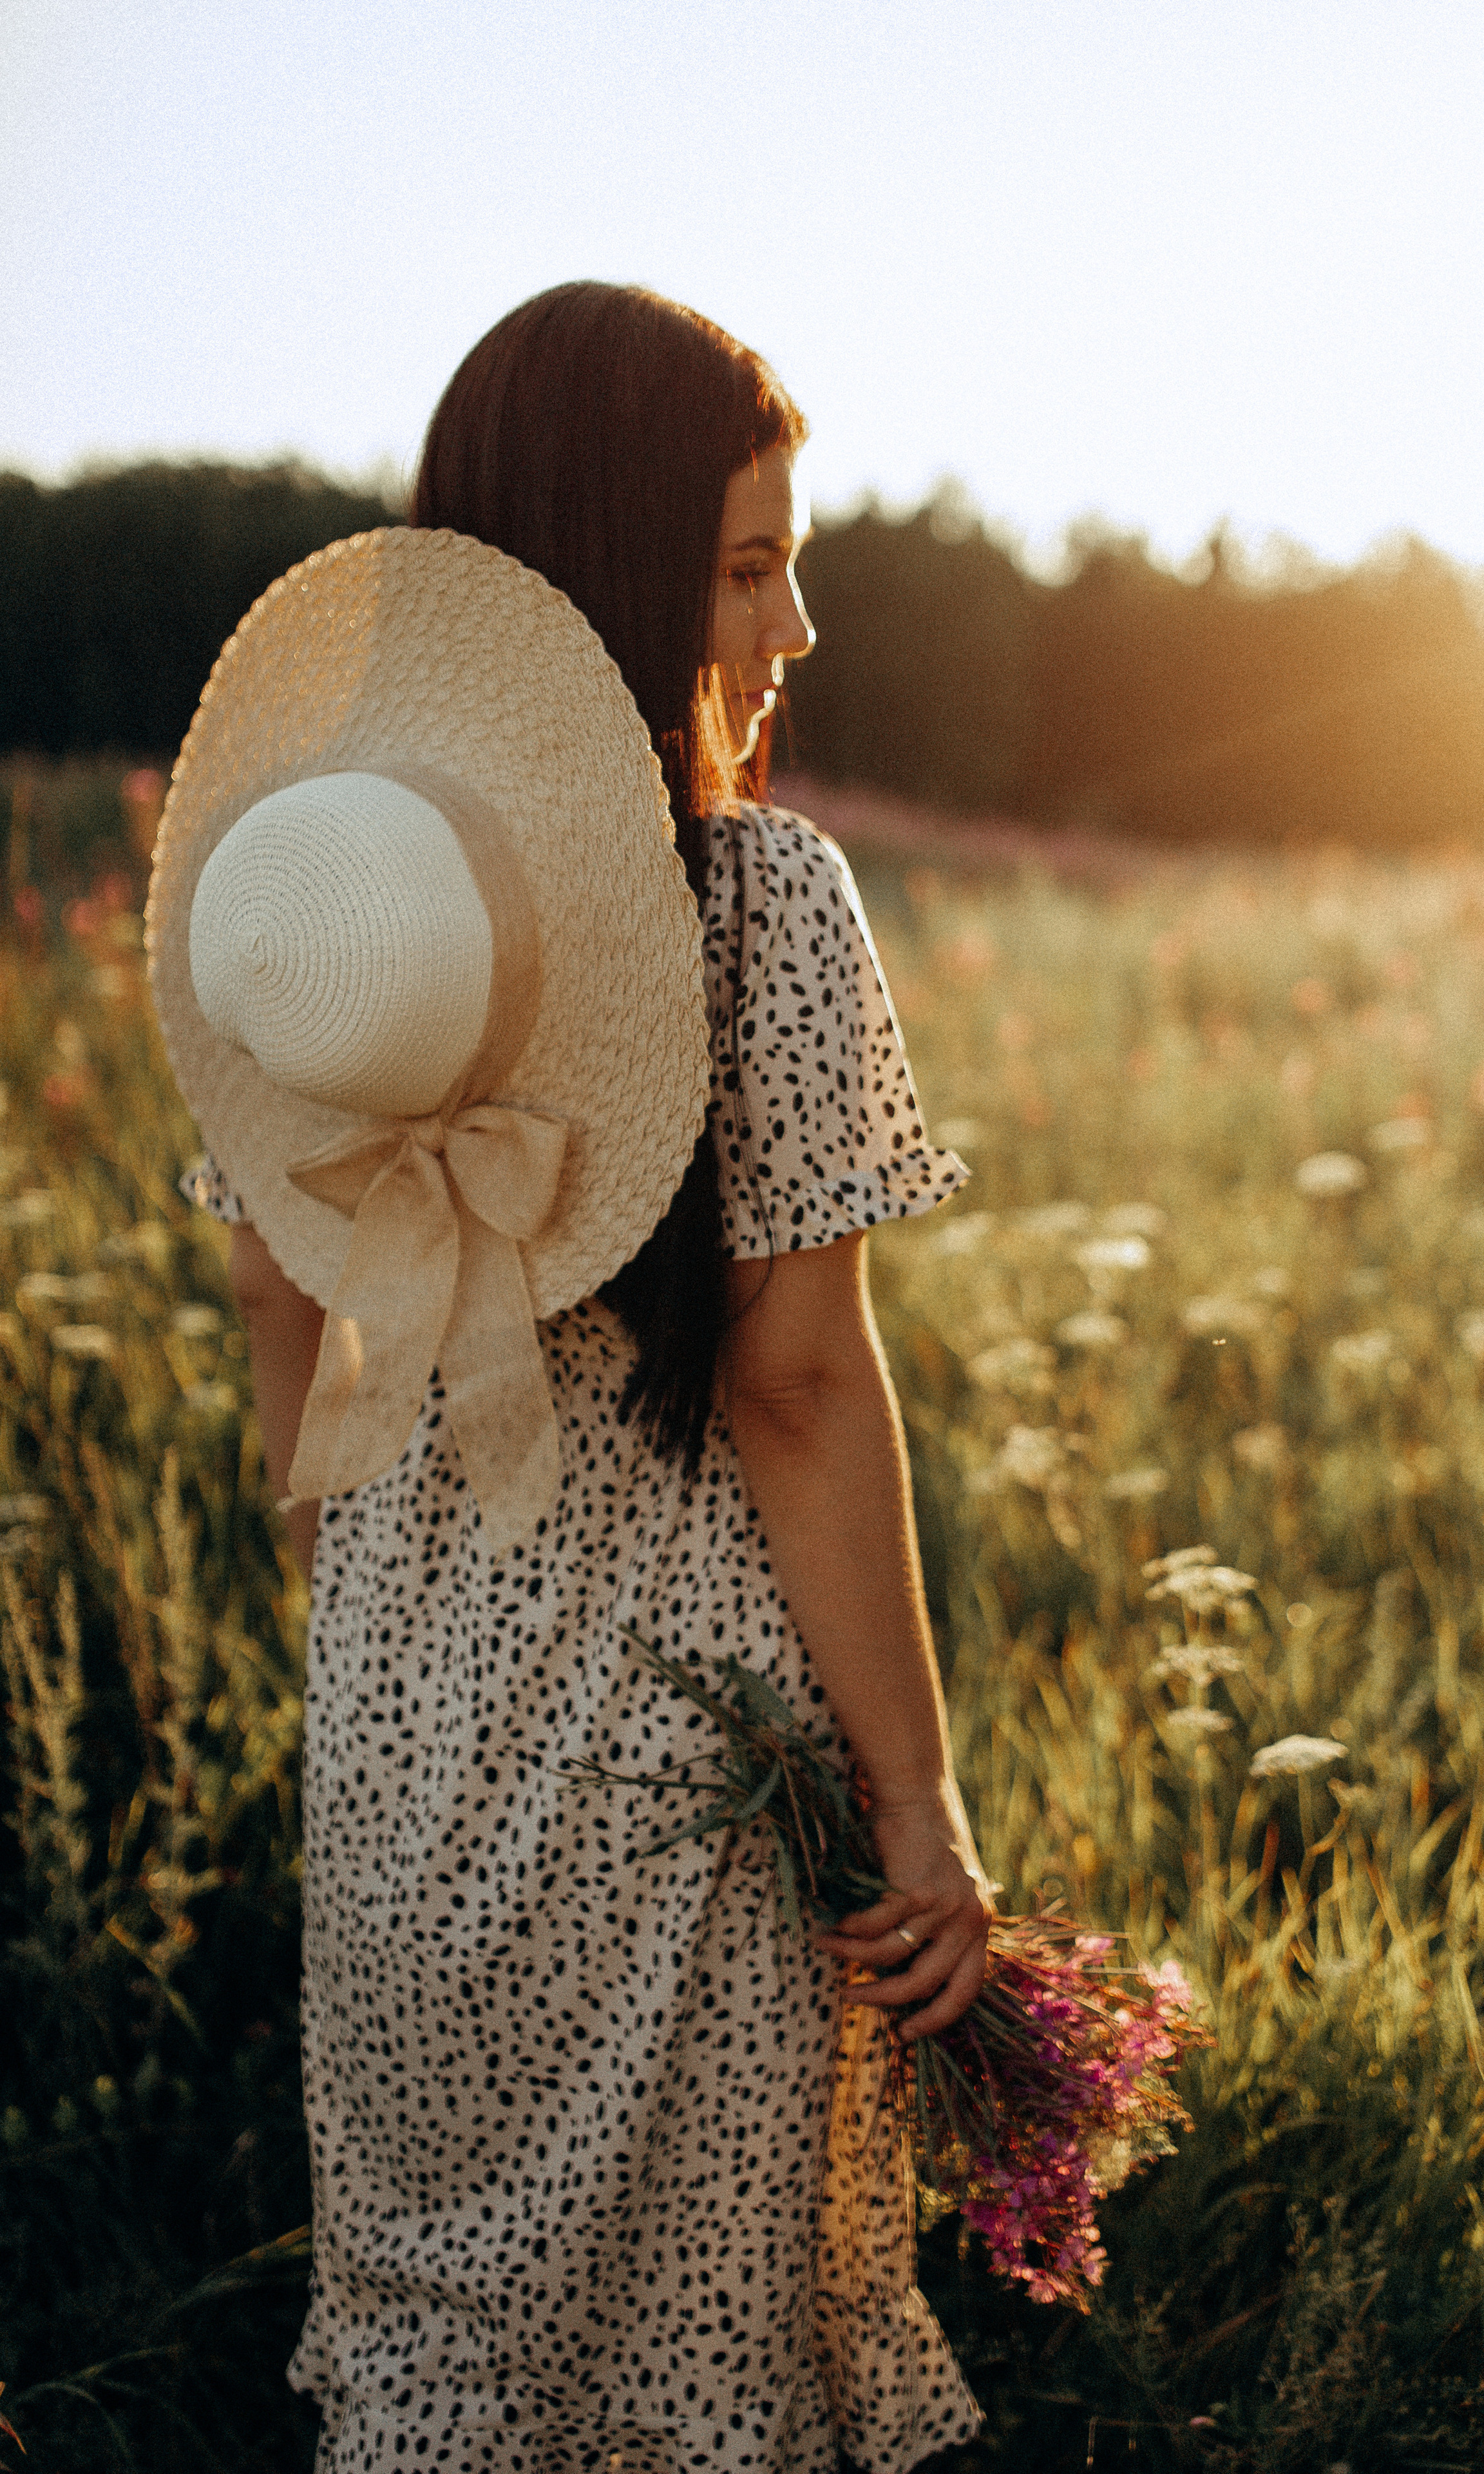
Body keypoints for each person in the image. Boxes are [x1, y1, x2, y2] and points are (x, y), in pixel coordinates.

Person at [158, 283, 990, 2473]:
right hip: (681, 1770)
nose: (794, 624)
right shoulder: (756, 905)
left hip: (403, 1725)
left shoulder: (308, 897)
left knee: (452, 2337)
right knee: (696, 2371)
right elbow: (801, 1394)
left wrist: (372, 1604)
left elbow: (277, 1308)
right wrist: (918, 1806)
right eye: (744, 564)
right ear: (607, 568)